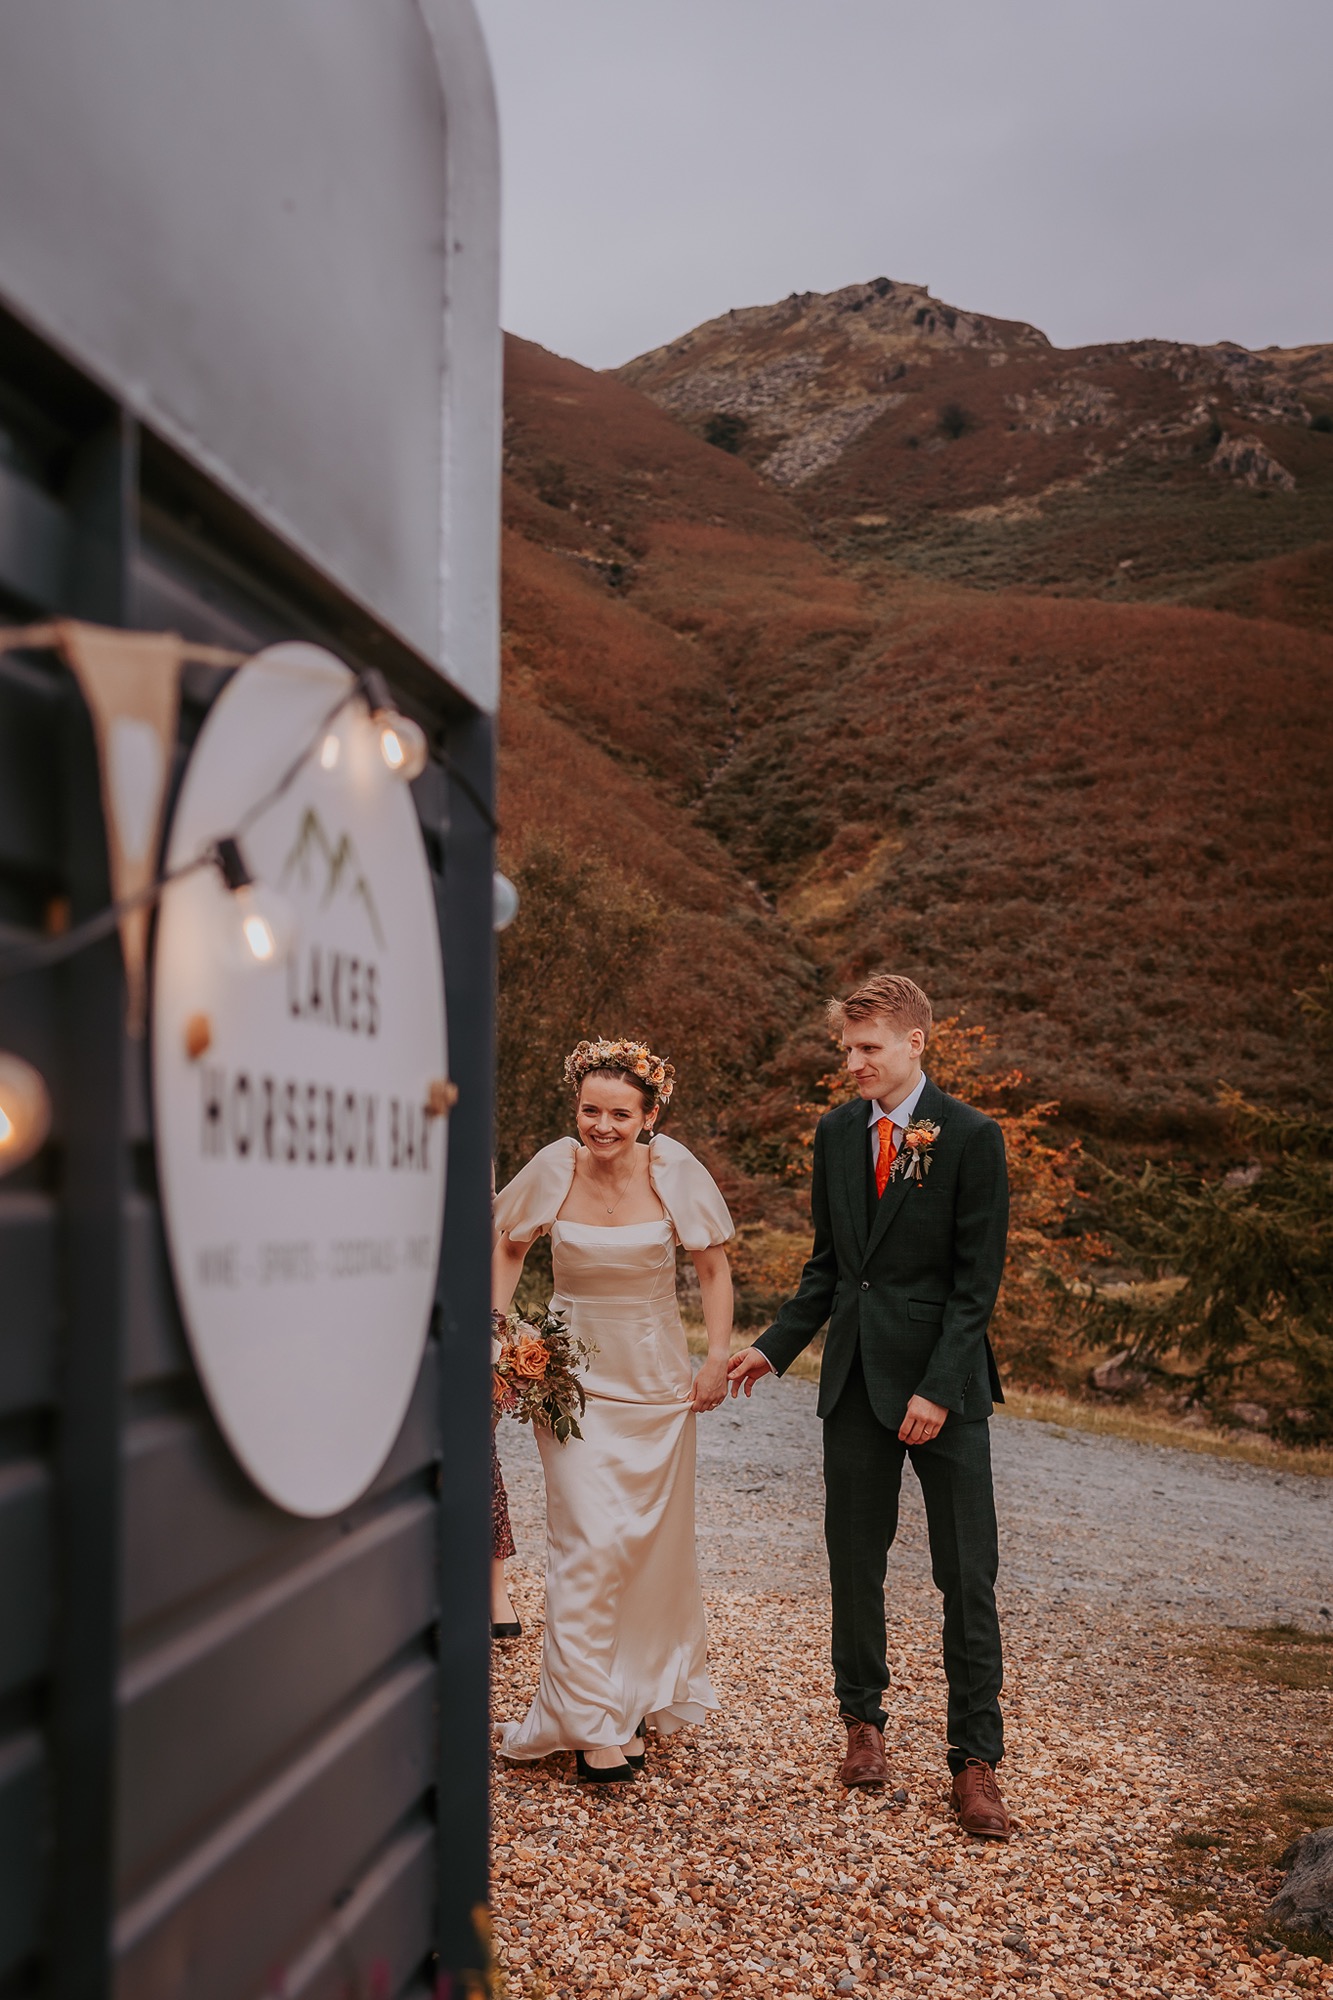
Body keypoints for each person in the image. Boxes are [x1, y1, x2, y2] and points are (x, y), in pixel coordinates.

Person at [727, 973, 1012, 1839]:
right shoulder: (834, 1134)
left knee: (966, 1574)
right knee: (854, 1561)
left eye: (867, 1049)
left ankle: (975, 1760)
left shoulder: (971, 1137)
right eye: (845, 1049)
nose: (852, 1064)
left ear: (914, 1042)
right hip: (852, 1380)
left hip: (944, 1387)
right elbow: (828, 1268)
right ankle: (862, 1724)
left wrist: (934, 1387)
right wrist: (770, 1348)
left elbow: (976, 1287)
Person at [492, 1037, 734, 1783]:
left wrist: (717, 1357)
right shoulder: (552, 1165)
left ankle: (626, 1700)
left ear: (649, 1115)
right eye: (589, 1110)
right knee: (587, 1542)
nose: (601, 1126)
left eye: (619, 1113)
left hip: (656, 1385)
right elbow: (507, 1246)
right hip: (569, 1383)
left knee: (643, 1548)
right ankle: (586, 1722)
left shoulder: (674, 1170)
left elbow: (713, 1267)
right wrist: (501, 1336)